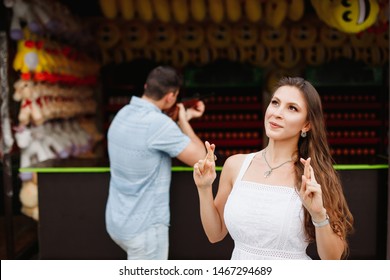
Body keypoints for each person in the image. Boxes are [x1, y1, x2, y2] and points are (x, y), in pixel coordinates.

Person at [193, 77, 354, 260]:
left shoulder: (313, 176)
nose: (277, 113)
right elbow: (215, 234)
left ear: (307, 124)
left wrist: (318, 214)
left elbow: (332, 258)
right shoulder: (235, 165)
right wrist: (204, 188)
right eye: (275, 103)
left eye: (292, 108)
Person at [106, 65, 207, 260]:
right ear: (170, 97)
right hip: (144, 229)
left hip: (117, 220)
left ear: (146, 86)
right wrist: (184, 121)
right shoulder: (159, 124)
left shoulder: (123, 113)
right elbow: (200, 157)